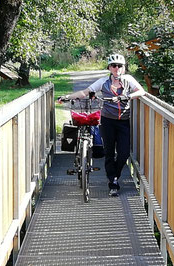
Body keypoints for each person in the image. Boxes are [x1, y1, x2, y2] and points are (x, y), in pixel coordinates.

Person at [58, 53, 146, 196]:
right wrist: (67, 97)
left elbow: (142, 92)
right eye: (113, 66)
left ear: (124, 68)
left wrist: (127, 96)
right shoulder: (103, 82)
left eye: (119, 66)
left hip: (123, 121)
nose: (116, 68)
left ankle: (115, 175)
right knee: (109, 152)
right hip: (107, 122)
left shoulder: (128, 80)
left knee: (123, 153)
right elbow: (85, 92)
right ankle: (113, 182)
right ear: (109, 68)